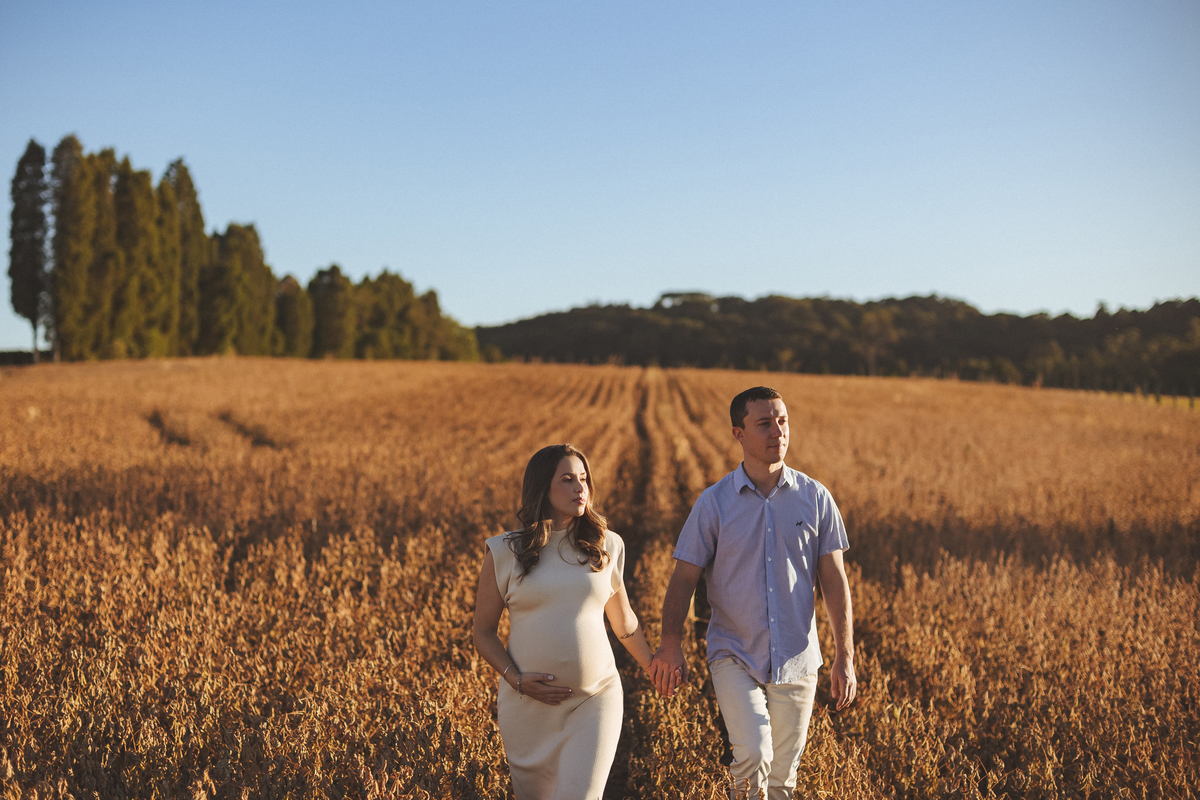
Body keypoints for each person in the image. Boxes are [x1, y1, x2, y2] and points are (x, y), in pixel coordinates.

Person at [647, 386, 857, 800]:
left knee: (782, 780)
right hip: (734, 653)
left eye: (782, 421)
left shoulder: (816, 498)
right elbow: (684, 578)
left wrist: (844, 655)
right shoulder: (714, 503)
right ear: (738, 434)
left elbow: (835, 580)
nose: (778, 431)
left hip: (798, 657)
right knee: (753, 755)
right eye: (764, 423)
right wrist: (670, 642)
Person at [473, 443, 656, 800]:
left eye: (584, 479)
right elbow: (483, 632)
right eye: (568, 479)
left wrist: (653, 666)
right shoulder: (505, 551)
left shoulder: (606, 545)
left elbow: (624, 622)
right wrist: (516, 680)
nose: (580, 488)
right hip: (527, 709)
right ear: (543, 488)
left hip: (595, 699)